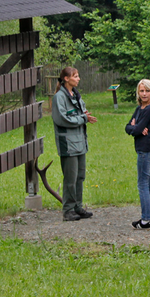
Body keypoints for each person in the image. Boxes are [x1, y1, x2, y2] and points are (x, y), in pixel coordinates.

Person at [52, 66, 98, 221]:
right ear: (66, 78)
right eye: (75, 76)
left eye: (78, 76)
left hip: (80, 142)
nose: (78, 79)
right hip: (68, 143)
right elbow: (62, 119)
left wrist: (85, 116)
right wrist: (83, 118)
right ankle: (68, 209)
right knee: (70, 178)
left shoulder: (76, 95)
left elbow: (81, 112)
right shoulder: (59, 97)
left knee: (80, 176)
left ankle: (78, 206)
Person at [125, 79, 150, 229]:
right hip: (143, 148)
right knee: (149, 183)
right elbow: (128, 127)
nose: (144, 94)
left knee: (143, 184)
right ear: (138, 93)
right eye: (142, 91)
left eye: (147, 91)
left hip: (146, 150)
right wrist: (135, 128)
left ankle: (145, 220)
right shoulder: (139, 108)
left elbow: (137, 128)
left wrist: (136, 128)